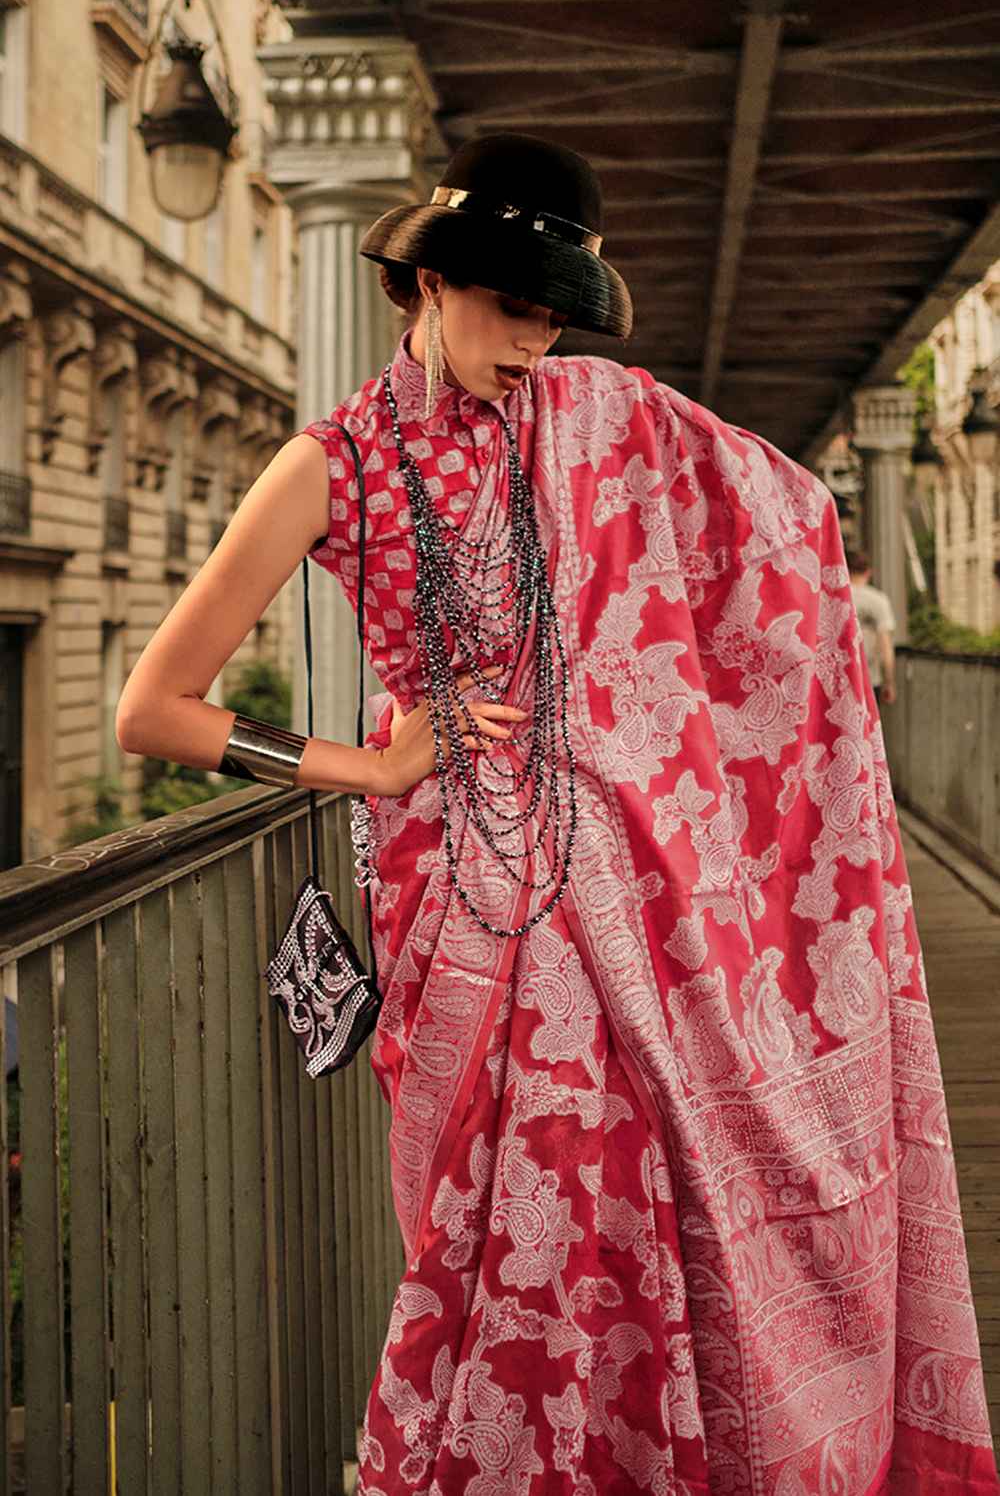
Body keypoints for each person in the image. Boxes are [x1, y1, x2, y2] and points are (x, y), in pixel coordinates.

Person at [116, 134, 999, 1495]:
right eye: (510, 308)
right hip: (459, 894)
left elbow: (793, 524)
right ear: (427, 284)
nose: (533, 346)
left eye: (553, 316)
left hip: (621, 883)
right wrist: (369, 768)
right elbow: (156, 707)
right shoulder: (329, 464)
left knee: (637, 1182)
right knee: (496, 1224)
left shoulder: (596, 418)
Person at [847, 548, 898, 709]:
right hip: (869, 678)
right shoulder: (878, 601)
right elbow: (886, 646)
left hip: (837, 679)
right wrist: (889, 681)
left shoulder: (832, 596)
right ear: (868, 572)